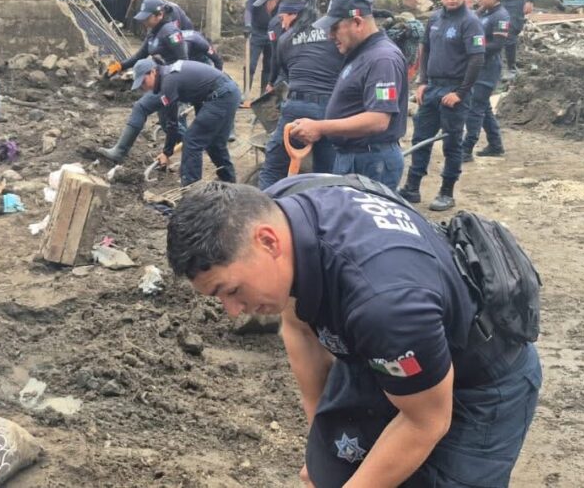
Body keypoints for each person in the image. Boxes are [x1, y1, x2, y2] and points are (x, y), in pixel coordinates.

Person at [166, 180, 542, 488]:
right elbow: (298, 324)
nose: (232, 311)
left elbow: (426, 422)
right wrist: (321, 444)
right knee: (335, 472)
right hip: (384, 352)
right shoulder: (283, 209)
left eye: (231, 291)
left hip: (478, 381)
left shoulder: (385, 304)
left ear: (268, 242)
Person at [288, 0, 408, 188]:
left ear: (358, 22)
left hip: (371, 162)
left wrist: (320, 127)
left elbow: (378, 120)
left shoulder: (382, 59)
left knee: (363, 219)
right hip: (354, 156)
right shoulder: (362, 53)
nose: (329, 35)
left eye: (335, 28)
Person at [399, 0, 486, 211]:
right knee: (421, 138)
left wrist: (460, 93)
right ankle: (412, 188)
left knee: (451, 143)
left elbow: (477, 59)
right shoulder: (435, 19)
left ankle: (447, 192)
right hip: (432, 88)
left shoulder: (471, 22)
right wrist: (423, 81)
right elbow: (425, 50)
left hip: (454, 92)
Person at [94, 0, 195, 163]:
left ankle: (120, 151)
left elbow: (184, 61)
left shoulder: (171, 32)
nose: (144, 21)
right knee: (166, 122)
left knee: (141, 107)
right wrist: (120, 66)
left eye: (147, 18)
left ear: (159, 14)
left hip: (171, 81)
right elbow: (140, 55)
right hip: (163, 79)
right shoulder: (153, 31)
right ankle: (190, 147)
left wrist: (174, 85)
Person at [257, 0, 340, 189]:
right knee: (327, 174)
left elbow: (285, 76)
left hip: (296, 107)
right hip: (330, 109)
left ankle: (265, 206)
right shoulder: (333, 34)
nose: (282, 23)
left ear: (293, 15)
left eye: (282, 18)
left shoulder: (285, 39)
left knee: (272, 167)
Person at [135, 58, 239, 186]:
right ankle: (229, 182)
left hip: (222, 96)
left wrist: (167, 152)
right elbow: (197, 93)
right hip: (228, 93)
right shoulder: (170, 75)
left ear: (152, 72)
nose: (144, 87)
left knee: (192, 140)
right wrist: (200, 118)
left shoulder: (168, 82)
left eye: (143, 82)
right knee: (214, 143)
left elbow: (172, 123)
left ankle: (190, 189)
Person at [462, 0, 510, 163]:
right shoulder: (483, 12)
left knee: (475, 107)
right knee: (484, 107)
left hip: (489, 67)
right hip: (477, 66)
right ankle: (496, 145)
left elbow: (497, 45)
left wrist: (473, 49)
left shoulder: (501, 16)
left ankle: (466, 149)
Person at [245, 0, 282, 93]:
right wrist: (247, 24)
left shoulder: (281, 1)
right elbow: (248, 10)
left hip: (271, 33)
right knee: (250, 64)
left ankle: (264, 95)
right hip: (257, 32)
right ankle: (246, 93)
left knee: (269, 65)